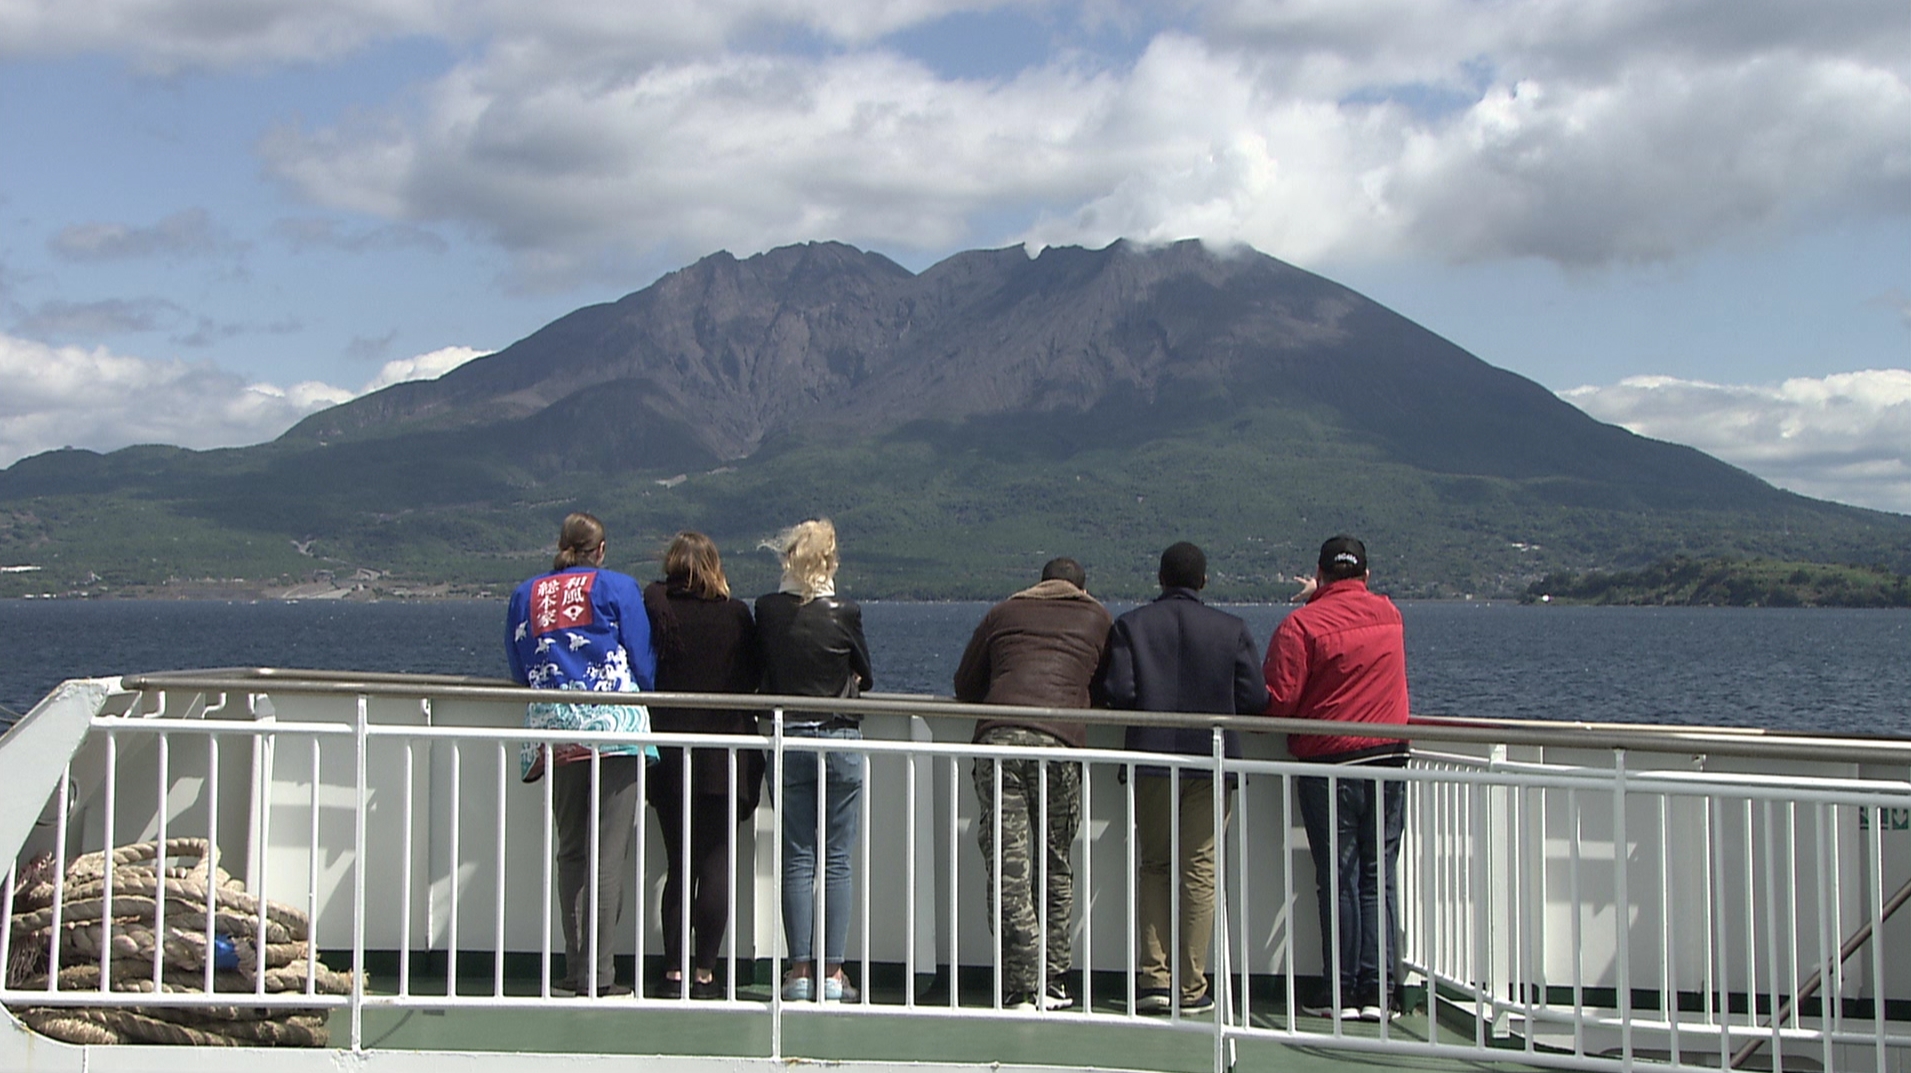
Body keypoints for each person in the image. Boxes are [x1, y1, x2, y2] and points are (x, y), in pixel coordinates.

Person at [1099, 541, 1268, 1014]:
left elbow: (1118, 691)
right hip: (1210, 763)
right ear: (1204, 582)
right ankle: (1192, 986)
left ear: (1160, 579)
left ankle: (1154, 979)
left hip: (1152, 760)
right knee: (1200, 872)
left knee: (1154, 864)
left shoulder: (1131, 625)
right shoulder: (1230, 629)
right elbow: (1256, 699)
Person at [505, 511, 657, 998]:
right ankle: (602, 976)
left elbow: (518, 665)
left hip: (556, 734)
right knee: (607, 858)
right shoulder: (616, 588)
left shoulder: (525, 594)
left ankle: (574, 973)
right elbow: (642, 659)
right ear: (602, 549)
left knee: (571, 851)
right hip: (614, 731)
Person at [953, 557, 1112, 1012]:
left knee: (1009, 868)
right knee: (1055, 864)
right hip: (1060, 743)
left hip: (1000, 739)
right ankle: (1055, 979)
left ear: (1040, 584)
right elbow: (1114, 685)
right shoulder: (1097, 617)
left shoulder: (1005, 612)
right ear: (1081, 589)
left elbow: (966, 684)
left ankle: (1021, 984)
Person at [1263, 535, 1410, 1023]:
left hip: (1331, 766)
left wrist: (1313, 600)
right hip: (1388, 759)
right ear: (1366, 576)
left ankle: (1340, 992)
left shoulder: (1300, 626)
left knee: (1338, 878)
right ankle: (1381, 992)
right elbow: (1353, 609)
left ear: (1320, 573)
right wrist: (1325, 594)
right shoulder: (1390, 614)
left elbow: (1279, 702)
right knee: (1377, 877)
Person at [755, 519, 873, 1003]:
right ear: (830, 561)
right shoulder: (845, 611)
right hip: (839, 739)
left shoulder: (765, 610)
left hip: (788, 740)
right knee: (838, 860)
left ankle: (799, 972)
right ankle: (833, 973)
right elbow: (865, 671)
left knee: (798, 858)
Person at [641, 531, 762, 1000]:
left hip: (669, 753)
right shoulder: (735, 615)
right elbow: (752, 677)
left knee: (679, 865)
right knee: (714, 865)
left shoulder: (657, 607)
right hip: (725, 755)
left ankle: (673, 973)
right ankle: (705, 975)